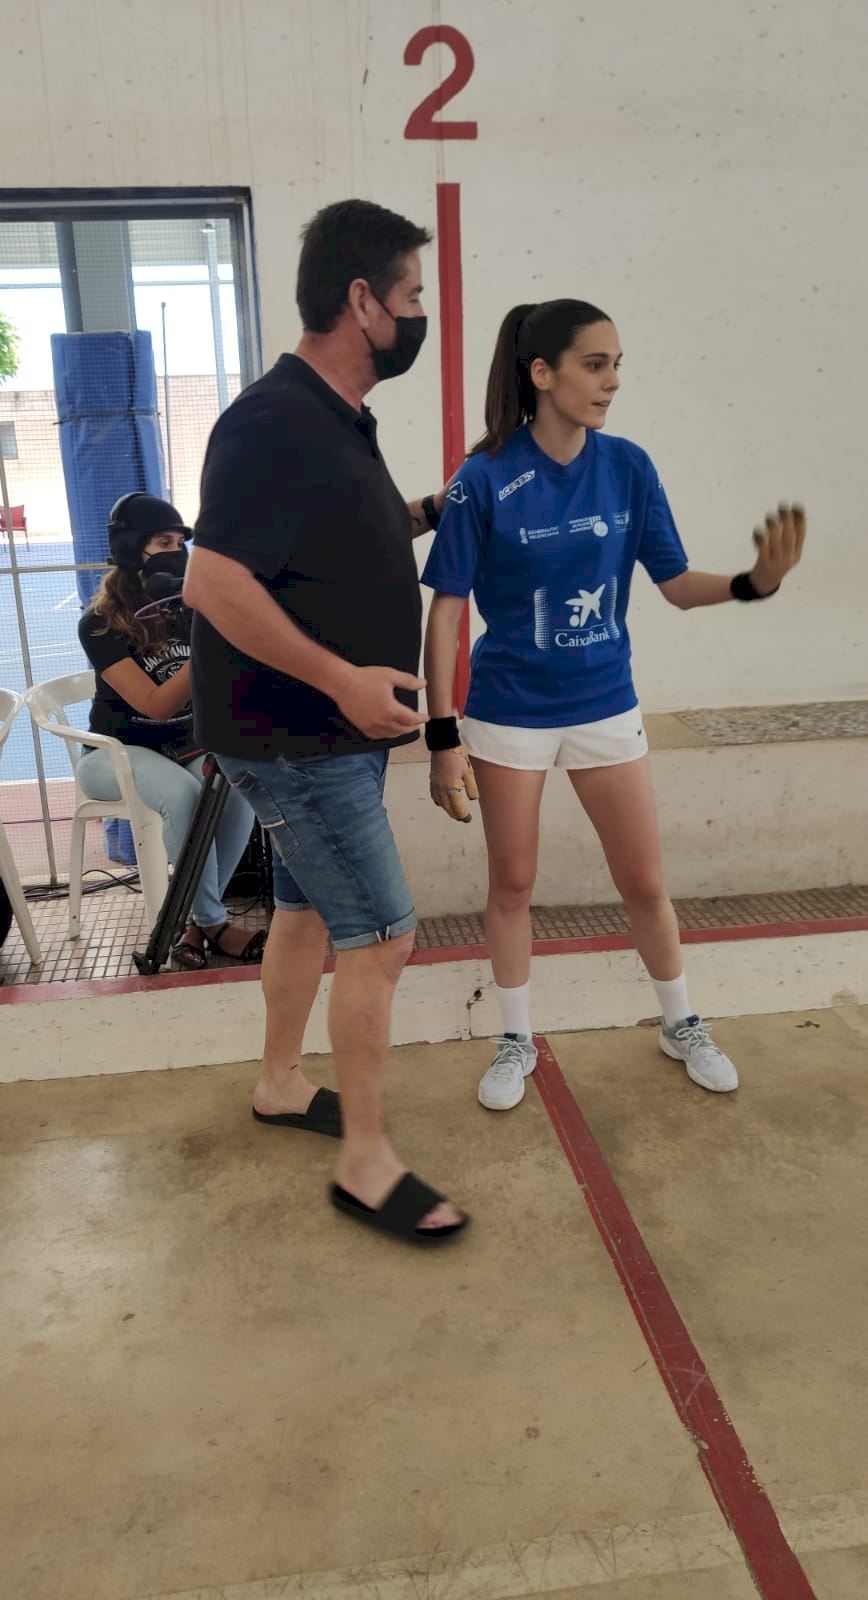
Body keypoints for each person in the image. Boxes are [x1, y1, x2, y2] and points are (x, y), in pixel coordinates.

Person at [421, 299, 806, 1110]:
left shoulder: (629, 466)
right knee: (512, 882)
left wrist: (753, 583)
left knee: (644, 880)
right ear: (542, 373)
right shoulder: (482, 478)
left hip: (604, 703)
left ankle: (681, 1022)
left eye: (617, 365)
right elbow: (447, 615)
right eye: (595, 365)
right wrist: (442, 735)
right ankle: (515, 1039)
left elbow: (676, 584)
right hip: (509, 710)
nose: (612, 381)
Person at [184, 199, 468, 1244]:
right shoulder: (275, 419)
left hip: (318, 735)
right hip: (296, 737)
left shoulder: (336, 419)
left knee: (305, 913)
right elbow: (214, 581)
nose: (420, 312)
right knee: (382, 935)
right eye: (412, 295)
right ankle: (367, 1165)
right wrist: (343, 679)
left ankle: (279, 1081)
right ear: (362, 301)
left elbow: (336, 540)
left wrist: (433, 510)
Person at [76, 492, 262, 970]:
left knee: (240, 788)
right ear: (131, 549)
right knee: (183, 795)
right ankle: (215, 925)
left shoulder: (189, 608)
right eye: (163, 542)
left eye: (180, 543)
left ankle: (196, 928)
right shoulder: (98, 625)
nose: (176, 552)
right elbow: (157, 706)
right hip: (115, 755)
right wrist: (207, 646)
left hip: (185, 748)